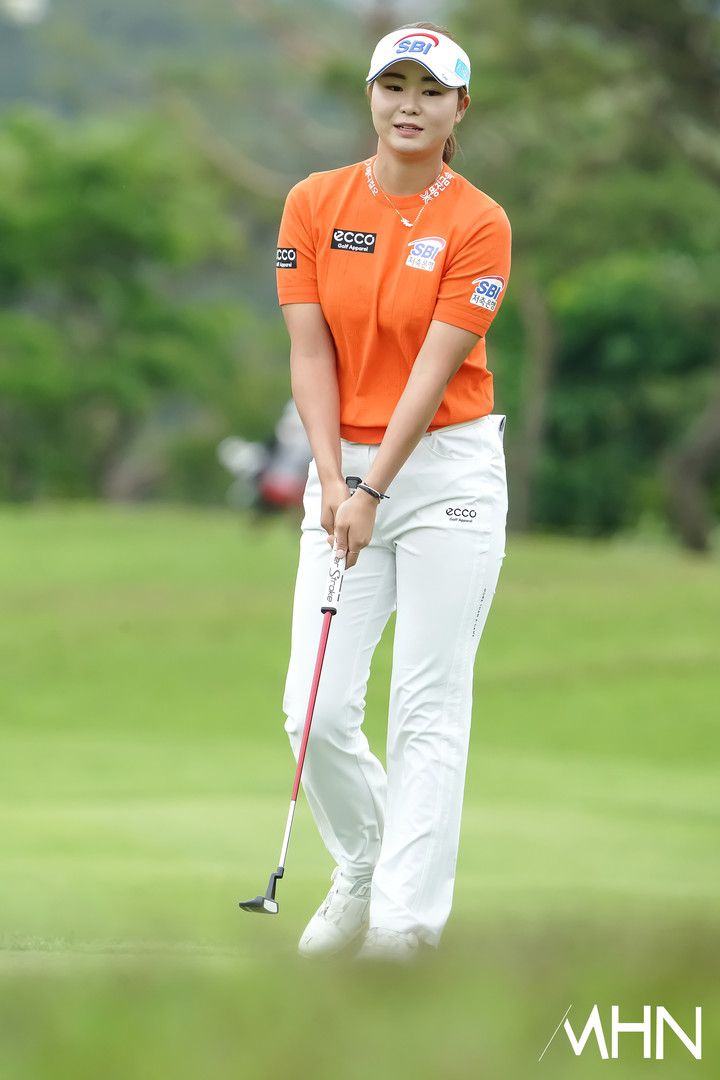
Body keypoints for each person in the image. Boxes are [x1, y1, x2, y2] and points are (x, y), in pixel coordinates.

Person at [276, 21, 511, 961]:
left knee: (427, 703)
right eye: (394, 86)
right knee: (315, 710)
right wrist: (336, 478)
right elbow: (309, 353)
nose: (409, 106)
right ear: (370, 96)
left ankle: (404, 932)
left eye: (430, 91)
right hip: (342, 469)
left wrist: (371, 485)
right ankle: (365, 864)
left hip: (446, 470)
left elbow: (432, 372)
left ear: (460, 108)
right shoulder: (313, 202)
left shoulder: (479, 222)